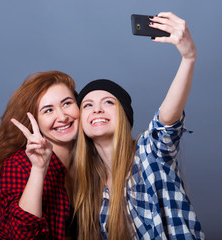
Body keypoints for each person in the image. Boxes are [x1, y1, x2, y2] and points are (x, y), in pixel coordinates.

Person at [73, 12, 205, 239]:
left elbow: (167, 118)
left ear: (124, 115)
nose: (96, 110)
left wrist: (188, 58)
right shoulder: (88, 189)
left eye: (108, 102)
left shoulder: (149, 152)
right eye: (87, 105)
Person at [0, 71, 79, 239]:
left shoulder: (90, 161)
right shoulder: (19, 164)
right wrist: (38, 169)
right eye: (48, 110)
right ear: (35, 120)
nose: (63, 117)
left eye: (67, 103)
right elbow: (21, 236)